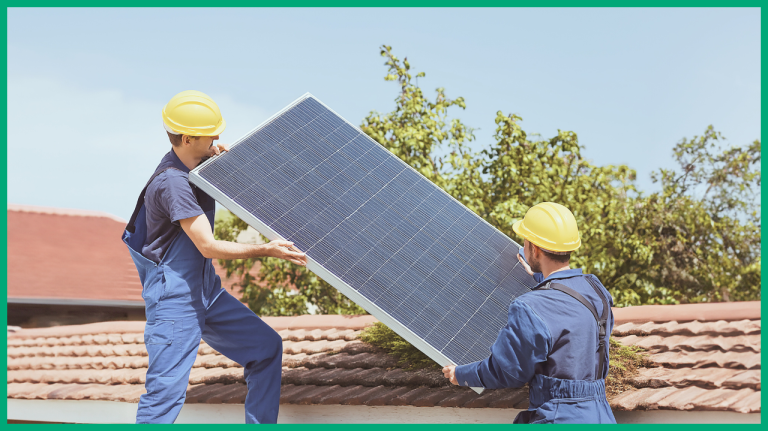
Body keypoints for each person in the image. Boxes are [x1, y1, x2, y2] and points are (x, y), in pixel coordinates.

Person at [122, 90, 308, 424]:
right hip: (175, 302)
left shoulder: (196, 163)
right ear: (189, 137)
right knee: (164, 397)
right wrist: (267, 249)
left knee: (267, 348)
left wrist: (221, 160)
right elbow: (207, 246)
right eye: (211, 133)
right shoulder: (172, 183)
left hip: (206, 293)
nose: (218, 137)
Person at [441, 202, 616, 424]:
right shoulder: (596, 290)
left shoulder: (530, 306)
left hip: (557, 418)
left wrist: (461, 374)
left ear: (534, 249)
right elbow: (568, 313)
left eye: (525, 242)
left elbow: (508, 371)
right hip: (600, 415)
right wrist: (542, 279)